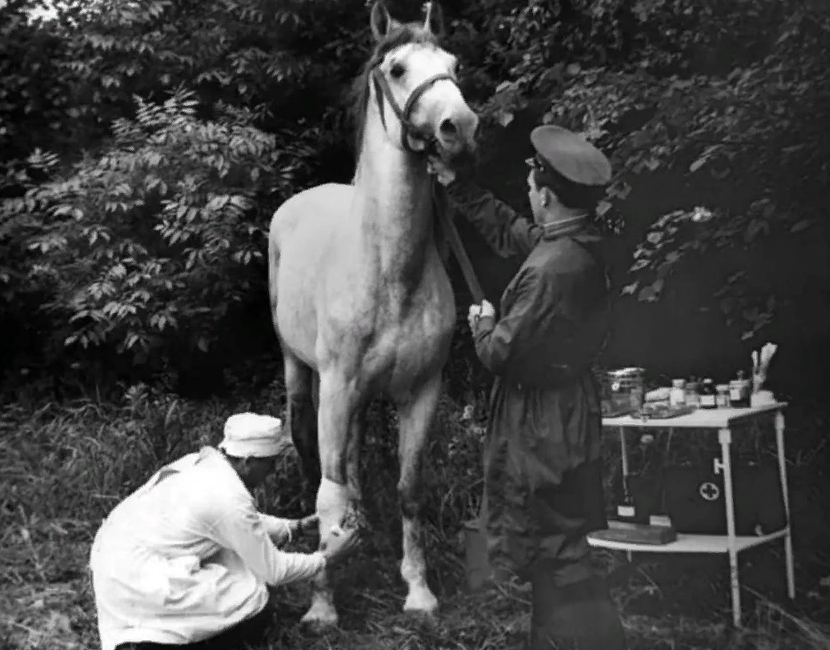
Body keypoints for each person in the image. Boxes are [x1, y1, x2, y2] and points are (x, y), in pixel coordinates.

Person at [448, 124, 627, 650]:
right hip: (564, 410)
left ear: (546, 195)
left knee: (553, 546)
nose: (528, 197)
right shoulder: (578, 242)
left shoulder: (550, 271)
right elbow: (512, 231)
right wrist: (458, 185)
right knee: (552, 544)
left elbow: (499, 353)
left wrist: (482, 321)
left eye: (531, 189)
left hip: (542, 421)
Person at [89, 412, 360, 650]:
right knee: (254, 599)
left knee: (237, 560)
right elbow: (274, 571)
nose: (273, 471)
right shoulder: (228, 498)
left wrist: (295, 528)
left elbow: (236, 522)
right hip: (139, 583)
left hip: (116, 561)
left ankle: (156, 630)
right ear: (249, 461)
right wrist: (326, 559)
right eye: (271, 463)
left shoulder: (204, 465)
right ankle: (154, 640)